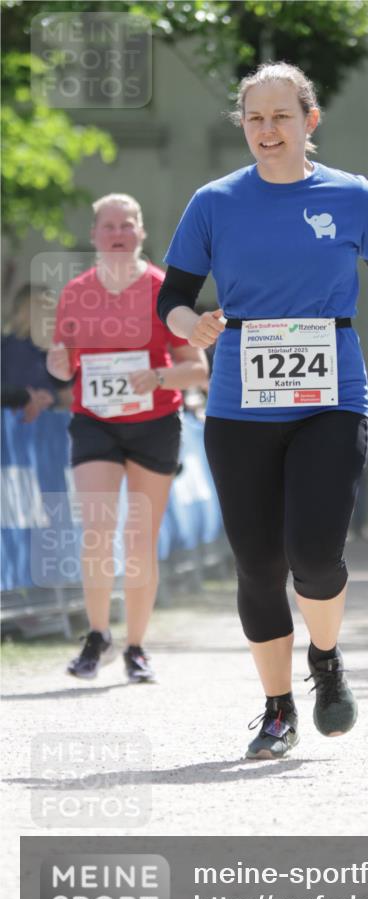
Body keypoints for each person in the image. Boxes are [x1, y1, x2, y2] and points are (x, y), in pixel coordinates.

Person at [157, 61, 368, 759]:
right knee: (257, 563)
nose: (267, 130)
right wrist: (191, 324)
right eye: (255, 118)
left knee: (313, 553)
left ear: (310, 122)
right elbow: (173, 298)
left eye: (282, 116)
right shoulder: (214, 202)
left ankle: (327, 657)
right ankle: (277, 708)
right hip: (238, 404)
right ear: (243, 126)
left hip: (330, 397)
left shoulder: (354, 197)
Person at [46, 193, 208, 683]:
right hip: (94, 420)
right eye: (108, 225)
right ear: (95, 235)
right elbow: (62, 359)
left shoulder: (164, 291)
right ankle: (97, 636)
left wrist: (156, 379)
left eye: (127, 224)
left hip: (154, 422)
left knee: (139, 541)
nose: (118, 233)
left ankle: (136, 647)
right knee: (97, 533)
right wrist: (56, 362)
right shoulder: (75, 293)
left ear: (141, 232)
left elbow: (197, 369)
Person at [1, 283, 67, 420]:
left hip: (43, 428)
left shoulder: (52, 351)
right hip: (13, 428)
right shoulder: (10, 347)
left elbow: (68, 397)